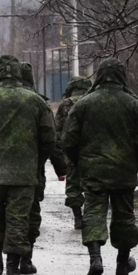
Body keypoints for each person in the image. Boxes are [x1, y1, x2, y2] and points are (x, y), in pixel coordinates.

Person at [0, 56, 67, 275]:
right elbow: (49, 139)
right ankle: (13, 268)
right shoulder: (36, 102)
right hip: (24, 175)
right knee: (18, 219)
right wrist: (37, 162)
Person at [61, 58, 138, 275]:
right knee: (124, 216)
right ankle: (123, 261)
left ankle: (95, 258)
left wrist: (81, 163)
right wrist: (134, 164)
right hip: (123, 171)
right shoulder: (134, 105)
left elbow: (68, 140)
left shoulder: (83, 105)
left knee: (93, 212)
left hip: (93, 171)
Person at [17, 62, 66, 275]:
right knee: (30, 214)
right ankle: (25, 260)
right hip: (31, 172)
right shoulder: (39, 103)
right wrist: (57, 166)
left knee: (2, 216)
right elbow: (51, 140)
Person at [55, 76, 93, 230]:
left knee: (73, 186)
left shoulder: (66, 104)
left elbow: (57, 131)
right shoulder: (93, 100)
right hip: (93, 151)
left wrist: (61, 152)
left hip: (72, 151)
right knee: (92, 185)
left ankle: (78, 217)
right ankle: (91, 216)